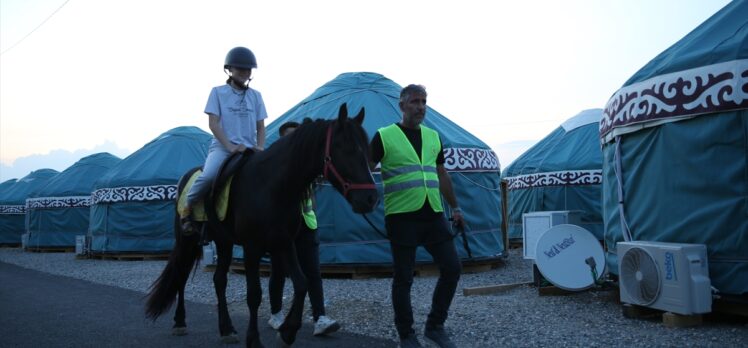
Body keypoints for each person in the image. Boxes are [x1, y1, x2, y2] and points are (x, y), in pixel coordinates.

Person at [369, 84, 464, 348]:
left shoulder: (434, 137)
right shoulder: (384, 136)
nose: (421, 106)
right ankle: (406, 335)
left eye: (424, 101)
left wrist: (455, 208)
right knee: (404, 277)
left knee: (452, 267)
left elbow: (442, 174)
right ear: (402, 105)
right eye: (415, 102)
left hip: (433, 213)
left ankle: (435, 326)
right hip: (401, 216)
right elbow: (364, 170)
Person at [181, 46, 267, 236]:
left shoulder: (256, 96)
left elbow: (261, 126)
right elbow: (213, 124)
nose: (245, 73)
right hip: (222, 147)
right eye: (241, 69)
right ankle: (187, 209)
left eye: (248, 69)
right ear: (230, 69)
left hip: (250, 148)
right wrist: (230, 147)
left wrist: (260, 147)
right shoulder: (218, 92)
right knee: (209, 175)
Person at [266, 120, 341, 336]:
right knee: (278, 271)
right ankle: (276, 314)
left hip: (307, 223)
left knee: (313, 273)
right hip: (281, 227)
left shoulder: (309, 163)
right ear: (281, 139)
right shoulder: (274, 165)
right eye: (290, 137)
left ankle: (320, 318)